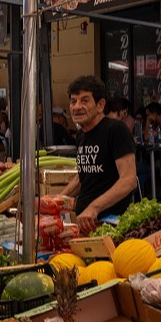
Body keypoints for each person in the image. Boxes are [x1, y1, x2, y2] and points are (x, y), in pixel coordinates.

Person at [60, 75, 138, 233]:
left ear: (101, 105)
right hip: (84, 222)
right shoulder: (82, 134)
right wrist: (57, 201)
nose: (77, 106)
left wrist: (94, 208)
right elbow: (82, 177)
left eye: (85, 100)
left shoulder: (116, 130)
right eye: (73, 101)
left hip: (109, 224)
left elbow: (129, 180)